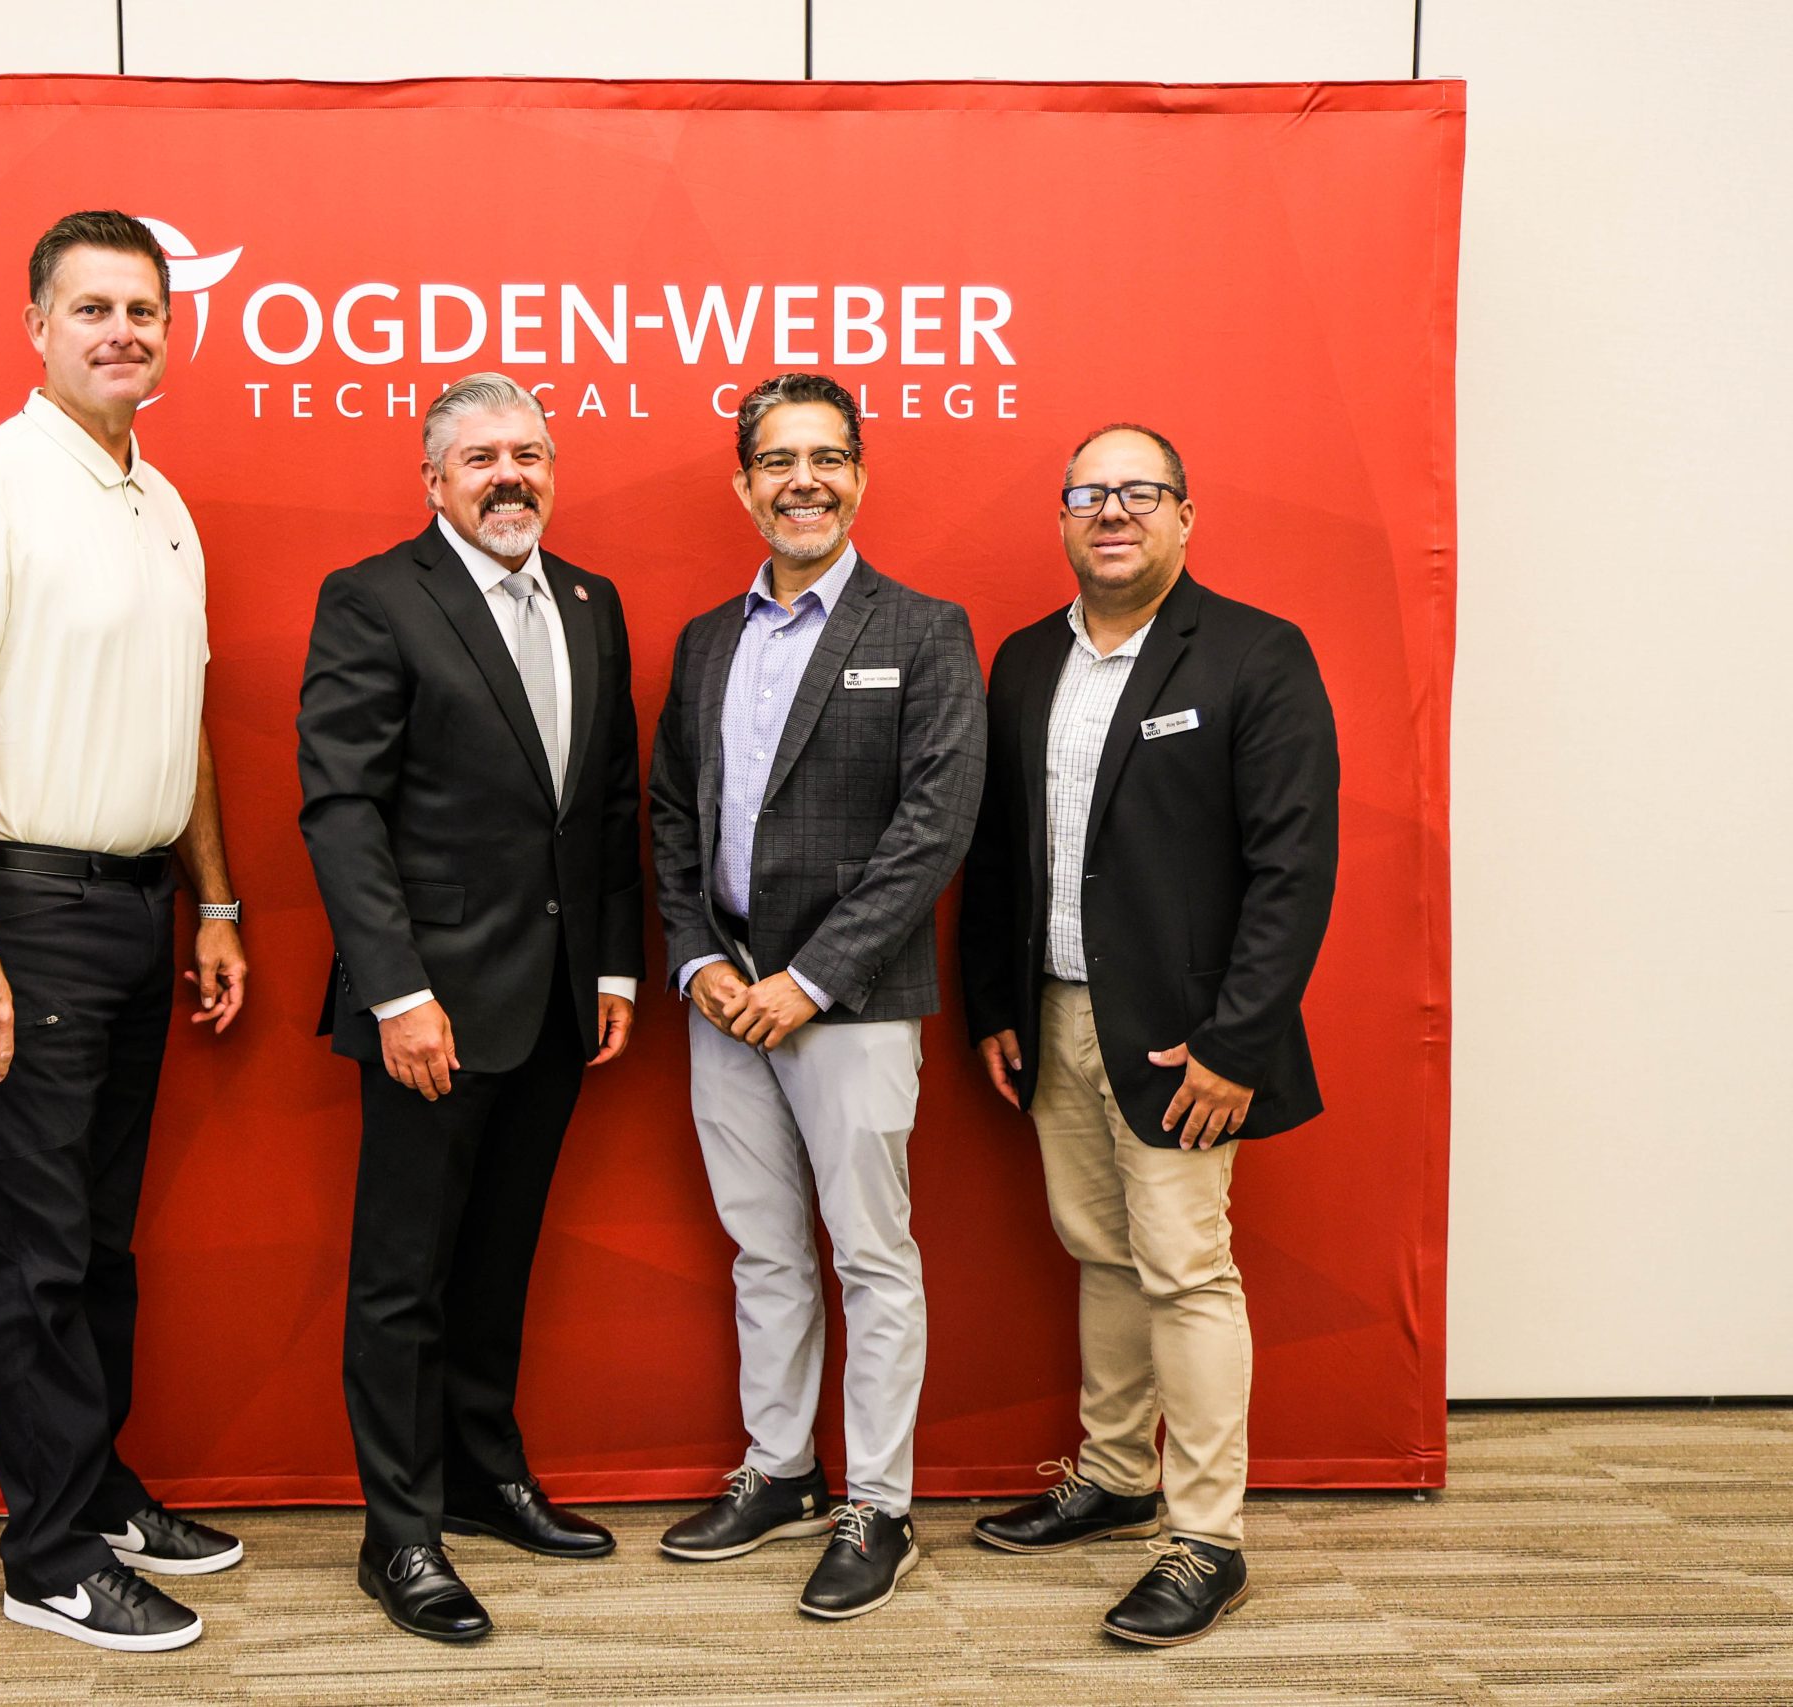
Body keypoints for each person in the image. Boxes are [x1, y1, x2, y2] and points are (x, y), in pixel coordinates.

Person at [0, 210, 249, 1654]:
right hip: (23, 916)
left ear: (172, 331)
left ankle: (97, 1492)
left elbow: (185, 720)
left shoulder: (161, 502)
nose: (122, 331)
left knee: (98, 1242)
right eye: (92, 308)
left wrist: (215, 899)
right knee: (33, 1251)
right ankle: (47, 1556)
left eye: (143, 310)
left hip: (140, 908)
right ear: (36, 325)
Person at [957, 423, 1340, 1646]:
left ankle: (1206, 1538)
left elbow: (1292, 870)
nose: (1111, 511)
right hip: (1053, 1016)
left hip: (1187, 1042)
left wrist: (1236, 1045)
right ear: (1063, 518)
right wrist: (993, 1006)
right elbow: (1000, 853)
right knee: (1100, 1251)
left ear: (1184, 514)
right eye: (1088, 493)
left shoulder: (1255, 654)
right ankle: (1117, 1476)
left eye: (1138, 491)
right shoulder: (1026, 659)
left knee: (1183, 1267)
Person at [296, 373, 645, 1642]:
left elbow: (607, 800)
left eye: (529, 455)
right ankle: (399, 1533)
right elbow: (340, 808)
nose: (510, 477)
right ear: (434, 478)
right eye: (483, 457)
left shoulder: (591, 601)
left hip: (555, 1003)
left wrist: (613, 968)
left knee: (497, 1260)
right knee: (404, 1278)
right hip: (429, 1007)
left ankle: (482, 1476)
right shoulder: (375, 597)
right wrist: (398, 993)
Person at [644, 373, 985, 1620]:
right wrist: (698, 961)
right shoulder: (706, 641)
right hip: (723, 1000)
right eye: (780, 461)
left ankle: (878, 1506)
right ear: (744, 485)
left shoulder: (924, 630)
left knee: (872, 1258)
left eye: (828, 458)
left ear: (859, 476)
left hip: (853, 1001)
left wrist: (810, 979)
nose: (805, 482)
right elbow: (671, 814)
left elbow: (933, 826)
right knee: (764, 1252)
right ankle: (781, 1470)